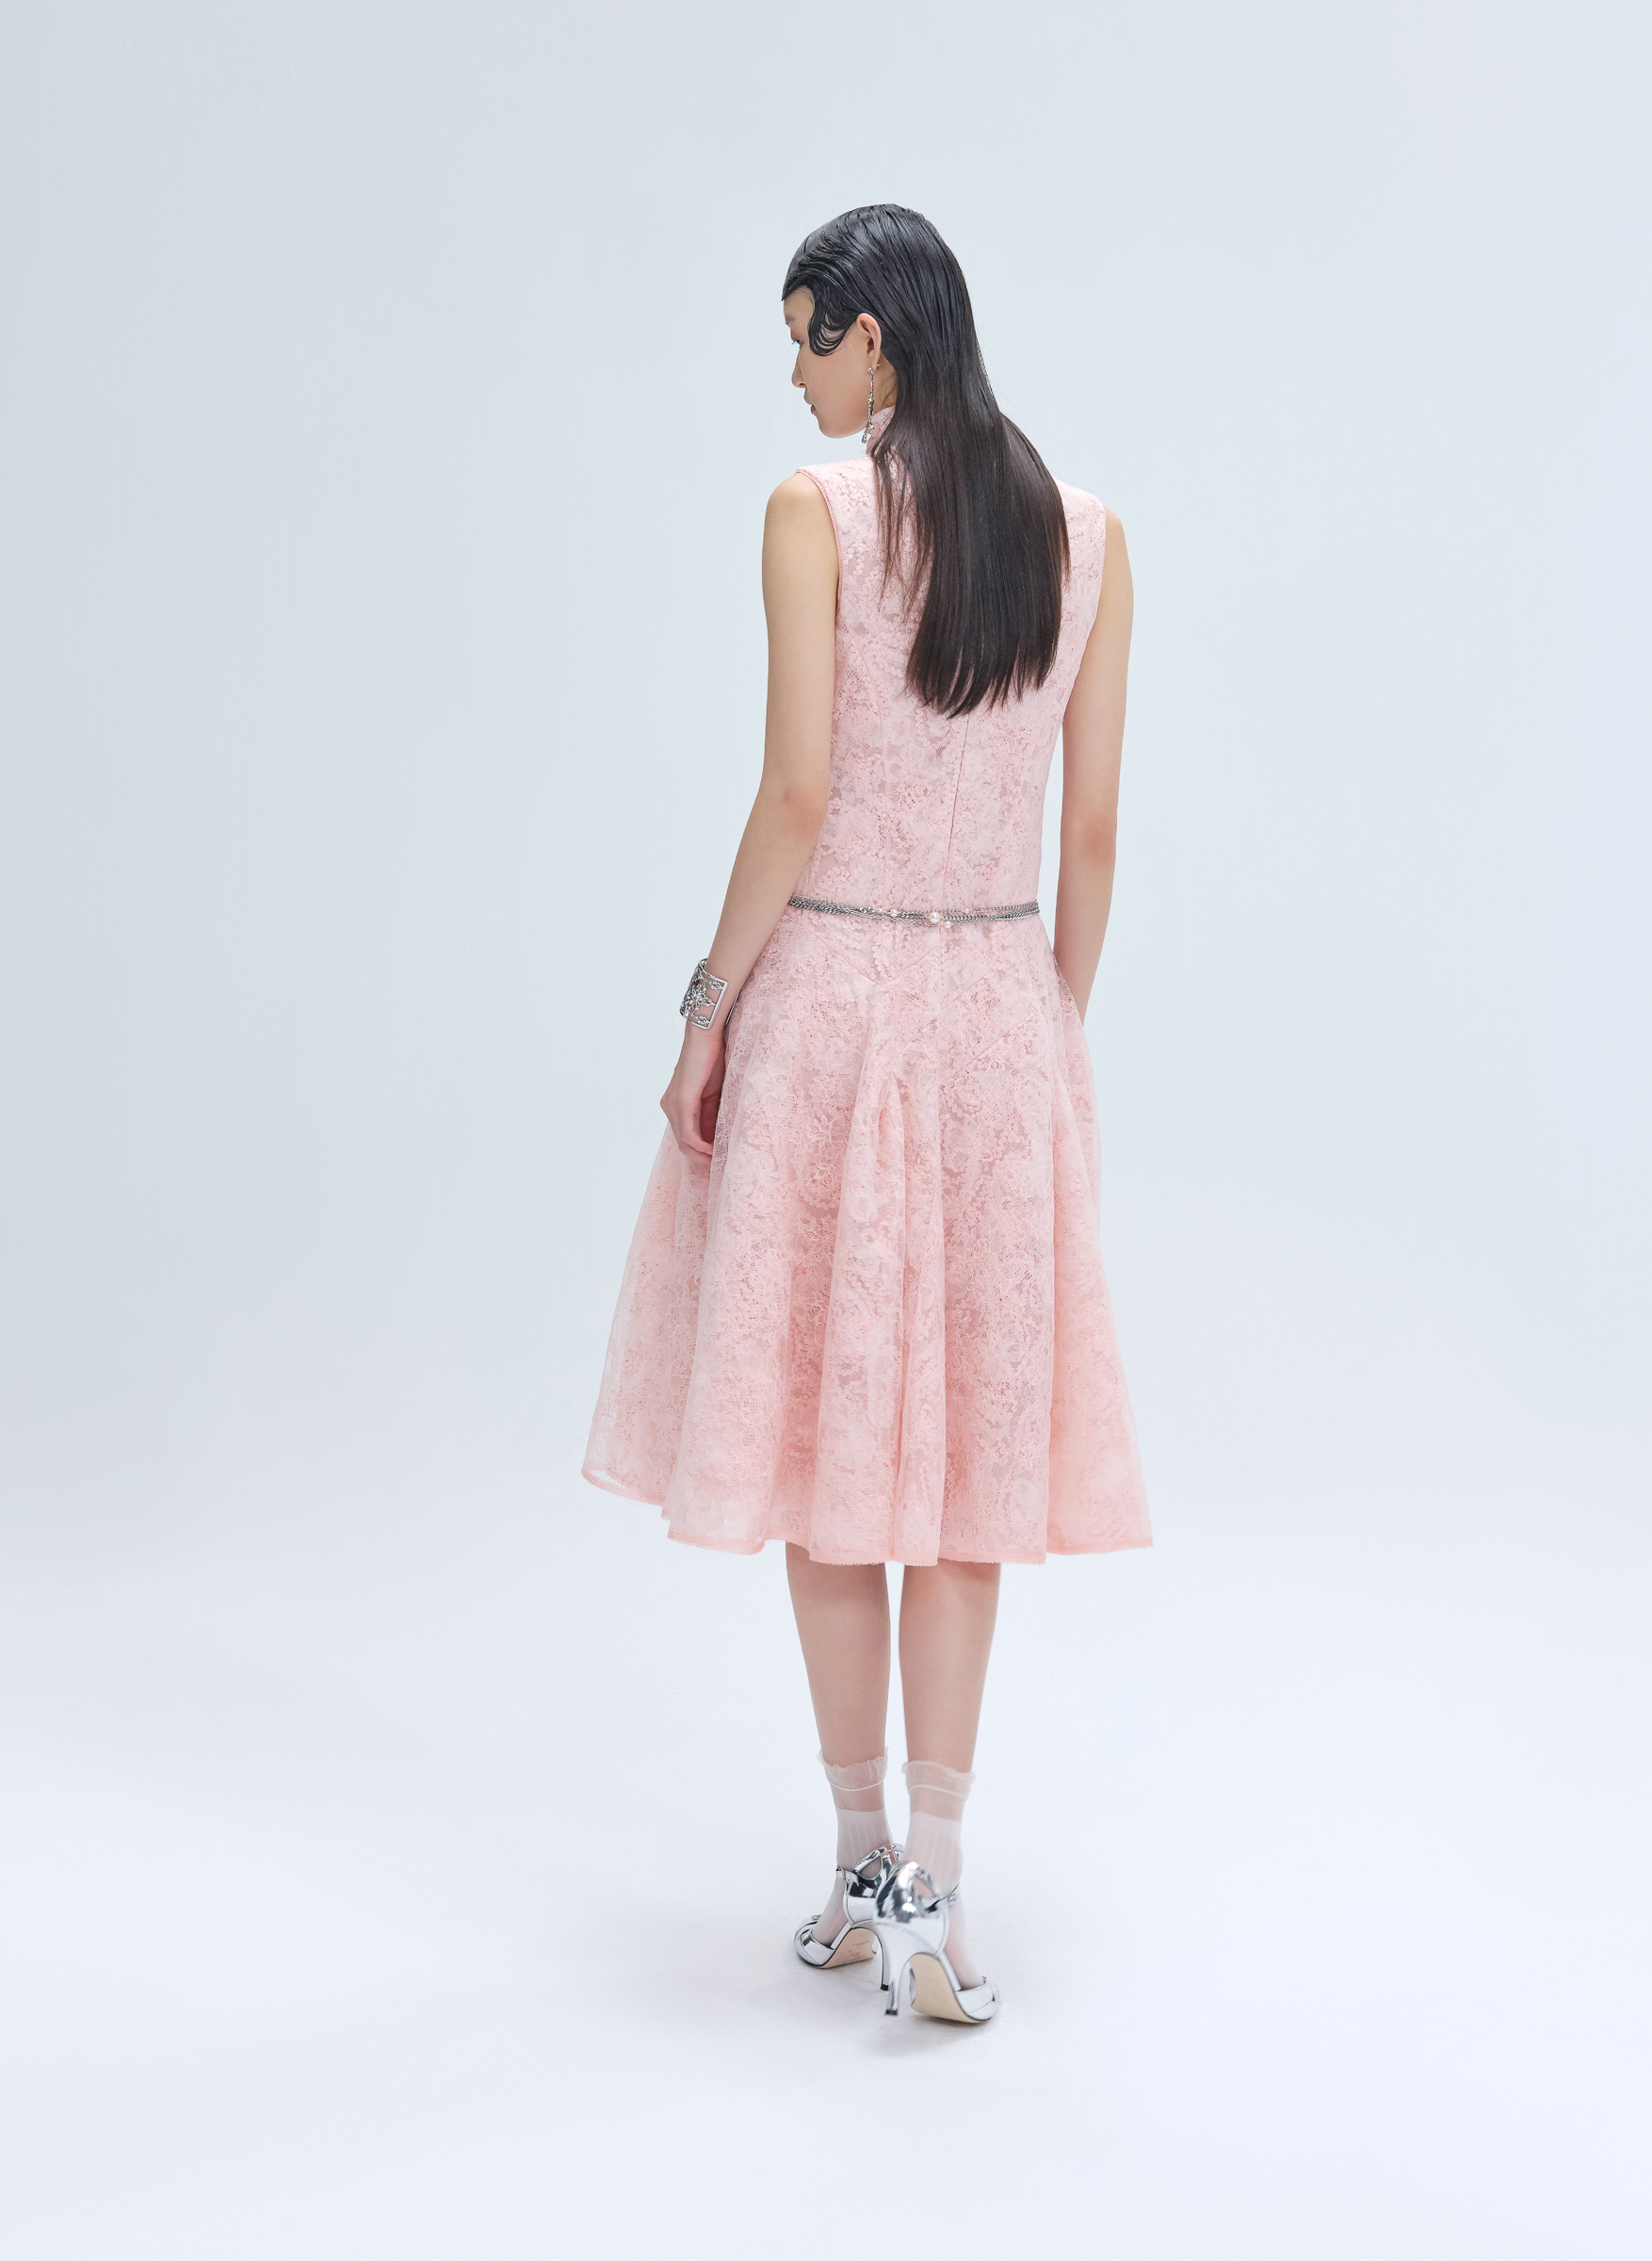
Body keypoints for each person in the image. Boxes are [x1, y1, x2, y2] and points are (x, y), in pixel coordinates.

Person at [584, 204, 1149, 2024]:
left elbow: (796, 792)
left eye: (806, 338)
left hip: (828, 1003)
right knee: (968, 1476)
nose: (795, 373)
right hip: (997, 1008)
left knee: (833, 1469)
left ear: (876, 338)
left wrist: (706, 1010)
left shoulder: (812, 516)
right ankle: (942, 1899)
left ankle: (855, 1873)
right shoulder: (1088, 535)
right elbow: (1092, 834)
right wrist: (1045, 1023)